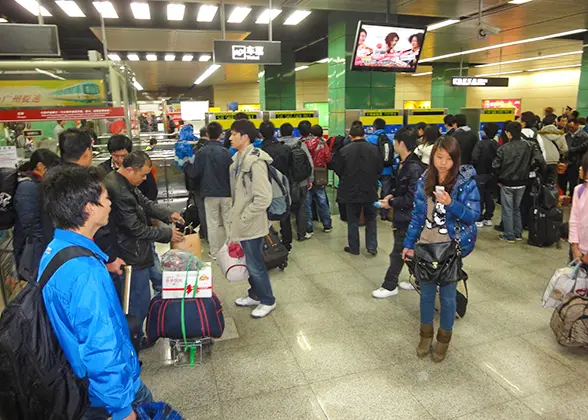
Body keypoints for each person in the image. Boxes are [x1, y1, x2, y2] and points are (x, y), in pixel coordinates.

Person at [41, 166, 152, 419]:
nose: (109, 202)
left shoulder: (56, 249)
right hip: (109, 394)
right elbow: (101, 346)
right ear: (89, 209)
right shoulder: (85, 272)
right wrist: (123, 409)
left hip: (80, 382)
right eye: (104, 198)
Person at [403, 136, 480, 362]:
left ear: (456, 160)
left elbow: (473, 216)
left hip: (450, 249)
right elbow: (417, 216)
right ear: (432, 157)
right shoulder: (425, 180)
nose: (443, 163)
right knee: (426, 295)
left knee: (447, 298)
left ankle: (444, 340)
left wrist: (450, 204)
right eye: (439, 157)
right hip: (426, 246)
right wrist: (408, 244)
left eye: (448, 158)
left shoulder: (466, 183)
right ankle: (425, 336)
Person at [105, 151, 185, 341]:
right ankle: (135, 339)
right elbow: (136, 229)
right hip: (131, 254)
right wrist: (167, 233)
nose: (145, 178)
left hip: (139, 250)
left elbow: (146, 204)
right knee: (137, 301)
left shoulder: (124, 182)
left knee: (149, 287)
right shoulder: (119, 191)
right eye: (143, 174)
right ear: (130, 170)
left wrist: (167, 214)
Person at [228, 119, 276, 318]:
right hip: (242, 220)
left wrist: (245, 217)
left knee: (255, 263)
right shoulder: (239, 159)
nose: (229, 138)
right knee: (249, 261)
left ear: (245, 137)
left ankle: (268, 300)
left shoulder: (255, 162)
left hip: (252, 222)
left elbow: (264, 197)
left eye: (233, 134)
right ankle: (255, 294)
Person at [372, 127, 426, 298]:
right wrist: (392, 195)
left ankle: (390, 285)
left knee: (398, 252)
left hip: (409, 218)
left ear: (401, 143)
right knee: (408, 251)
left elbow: (411, 198)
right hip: (403, 216)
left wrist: (391, 202)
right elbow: (402, 189)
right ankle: (419, 279)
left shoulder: (414, 168)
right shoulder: (404, 163)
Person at [333, 121, 383, 256]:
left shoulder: (344, 151)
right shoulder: (374, 149)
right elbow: (380, 168)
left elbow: (338, 169)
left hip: (350, 189)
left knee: (352, 219)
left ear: (350, 136)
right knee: (371, 218)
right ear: (364, 135)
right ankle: (372, 247)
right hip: (370, 189)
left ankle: (354, 248)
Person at [186, 122, 233, 259]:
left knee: (212, 224)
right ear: (221, 135)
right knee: (227, 222)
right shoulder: (227, 152)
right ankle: (231, 249)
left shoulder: (201, 153)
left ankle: (214, 252)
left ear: (207, 134)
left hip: (208, 193)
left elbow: (194, 173)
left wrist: (187, 165)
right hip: (226, 192)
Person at [493, 122, 545, 243]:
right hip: (522, 181)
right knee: (517, 208)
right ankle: (518, 233)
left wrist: (499, 178)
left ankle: (508, 235)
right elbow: (540, 160)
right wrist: (531, 168)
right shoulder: (530, 145)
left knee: (507, 209)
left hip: (507, 182)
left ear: (509, 133)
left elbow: (495, 165)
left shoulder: (503, 148)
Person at [13, 149, 60, 276]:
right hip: (34, 251)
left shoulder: (37, 184)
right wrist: (44, 246)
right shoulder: (27, 187)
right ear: (40, 166)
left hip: (41, 247)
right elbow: (29, 224)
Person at [279, 122, 314, 247]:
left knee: (285, 208)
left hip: (284, 183)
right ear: (293, 132)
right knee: (301, 207)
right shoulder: (300, 144)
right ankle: (301, 233)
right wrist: (310, 179)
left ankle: (286, 235)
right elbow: (310, 162)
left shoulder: (278, 145)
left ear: (280, 133)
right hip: (301, 181)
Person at [99, 135, 159, 203]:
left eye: (123, 156)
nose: (120, 160)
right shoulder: (102, 170)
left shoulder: (140, 165)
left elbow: (152, 191)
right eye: (115, 156)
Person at [305, 124, 333, 235]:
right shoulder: (323, 143)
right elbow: (328, 158)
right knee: (322, 201)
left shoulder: (305, 143)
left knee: (307, 202)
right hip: (320, 174)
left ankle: (309, 228)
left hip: (308, 175)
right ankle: (327, 225)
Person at [472, 122, 500, 228]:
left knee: (479, 196)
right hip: (492, 174)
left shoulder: (480, 143)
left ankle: (479, 218)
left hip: (480, 172)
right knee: (489, 196)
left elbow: (475, 157)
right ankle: (488, 217)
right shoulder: (497, 144)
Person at [367, 118, 395, 220]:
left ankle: (372, 212)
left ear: (374, 127)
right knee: (386, 192)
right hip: (387, 170)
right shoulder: (390, 139)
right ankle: (384, 213)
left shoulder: (370, 139)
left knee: (373, 191)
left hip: (374, 170)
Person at [569, 152, 588, 265]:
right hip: (578, 250)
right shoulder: (579, 190)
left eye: (584, 166)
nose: (580, 169)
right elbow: (574, 220)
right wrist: (574, 247)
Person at [538, 114, 568, 185]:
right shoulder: (560, 134)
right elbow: (565, 149)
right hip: (554, 161)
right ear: (554, 122)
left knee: (542, 183)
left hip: (543, 161)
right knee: (553, 183)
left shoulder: (539, 134)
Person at [565, 118, 588, 196]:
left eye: (572, 127)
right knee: (565, 180)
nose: (570, 129)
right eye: (569, 127)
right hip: (568, 160)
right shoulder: (567, 135)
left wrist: (572, 149)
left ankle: (573, 196)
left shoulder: (584, 135)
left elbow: (584, 146)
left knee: (574, 181)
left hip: (578, 161)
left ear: (577, 125)